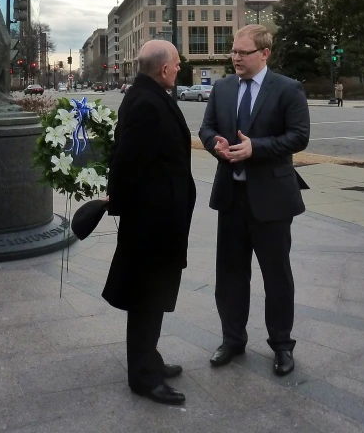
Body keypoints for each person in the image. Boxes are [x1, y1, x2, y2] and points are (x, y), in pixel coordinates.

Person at [199, 25, 310, 377]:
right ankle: (232, 340)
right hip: (232, 196)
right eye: (233, 51)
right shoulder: (223, 87)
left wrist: (255, 148)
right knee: (230, 275)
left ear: (264, 54)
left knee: (276, 276)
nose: (235, 58)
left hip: (272, 201)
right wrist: (215, 143)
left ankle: (281, 346)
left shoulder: (288, 89)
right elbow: (206, 128)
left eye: (243, 53)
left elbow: (299, 136)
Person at [103, 40, 197, 405]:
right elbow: (125, 160)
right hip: (151, 221)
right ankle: (143, 377)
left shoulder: (148, 94)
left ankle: (150, 359)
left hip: (158, 216)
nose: (179, 68)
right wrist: (125, 207)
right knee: (147, 297)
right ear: (163, 69)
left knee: (154, 294)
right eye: (176, 64)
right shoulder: (146, 102)